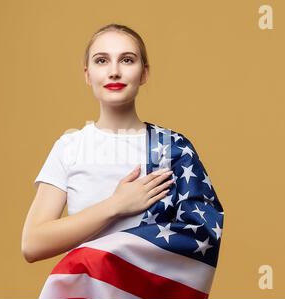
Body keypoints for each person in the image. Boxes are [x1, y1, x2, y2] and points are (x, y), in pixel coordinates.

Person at [21, 24, 175, 263]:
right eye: (102, 61)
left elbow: (193, 237)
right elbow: (32, 244)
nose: (114, 72)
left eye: (127, 60)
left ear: (144, 73)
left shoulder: (169, 147)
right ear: (87, 74)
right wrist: (116, 205)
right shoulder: (70, 147)